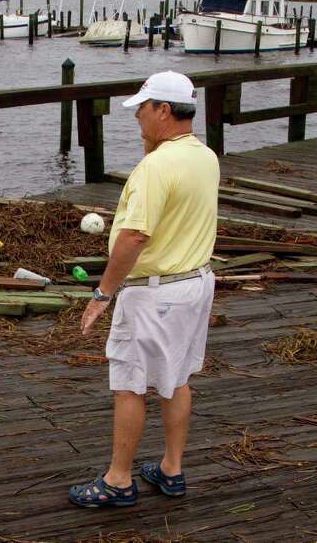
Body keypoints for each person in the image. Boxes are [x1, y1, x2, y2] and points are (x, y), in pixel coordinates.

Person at [68, 71, 220, 508]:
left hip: (155, 293)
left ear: (164, 111)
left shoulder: (155, 167)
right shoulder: (204, 156)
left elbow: (134, 237)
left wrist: (103, 294)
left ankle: (118, 480)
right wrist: (151, 148)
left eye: (143, 108)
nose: (137, 116)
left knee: (130, 383)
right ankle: (172, 469)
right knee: (176, 379)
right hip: (195, 282)